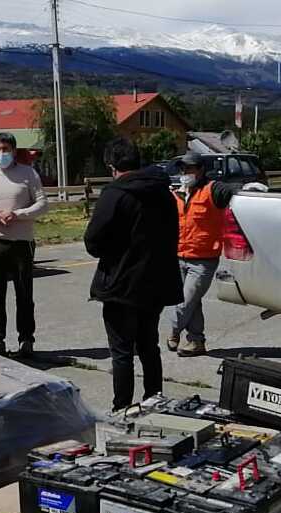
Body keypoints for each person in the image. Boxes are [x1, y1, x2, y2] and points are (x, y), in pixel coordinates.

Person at [84, 138, 183, 412]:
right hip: (157, 281)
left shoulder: (115, 193)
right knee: (149, 346)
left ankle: (122, 408)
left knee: (122, 352)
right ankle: (155, 400)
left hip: (121, 284)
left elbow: (93, 241)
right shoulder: (164, 191)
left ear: (112, 166)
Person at [0, 132, 49, 358]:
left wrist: (17, 214)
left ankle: (26, 339)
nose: (1, 153)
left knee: (24, 294)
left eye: (5, 149)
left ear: (14, 151)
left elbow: (42, 204)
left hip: (21, 244)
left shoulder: (28, 174)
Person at [169, 151, 239, 357]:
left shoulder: (212, 189)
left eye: (189, 168)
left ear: (200, 170)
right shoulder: (178, 192)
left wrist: (251, 189)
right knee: (193, 302)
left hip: (203, 260)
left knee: (185, 301)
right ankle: (196, 342)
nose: (185, 172)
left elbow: (234, 191)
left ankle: (173, 331)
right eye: (182, 168)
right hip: (180, 255)